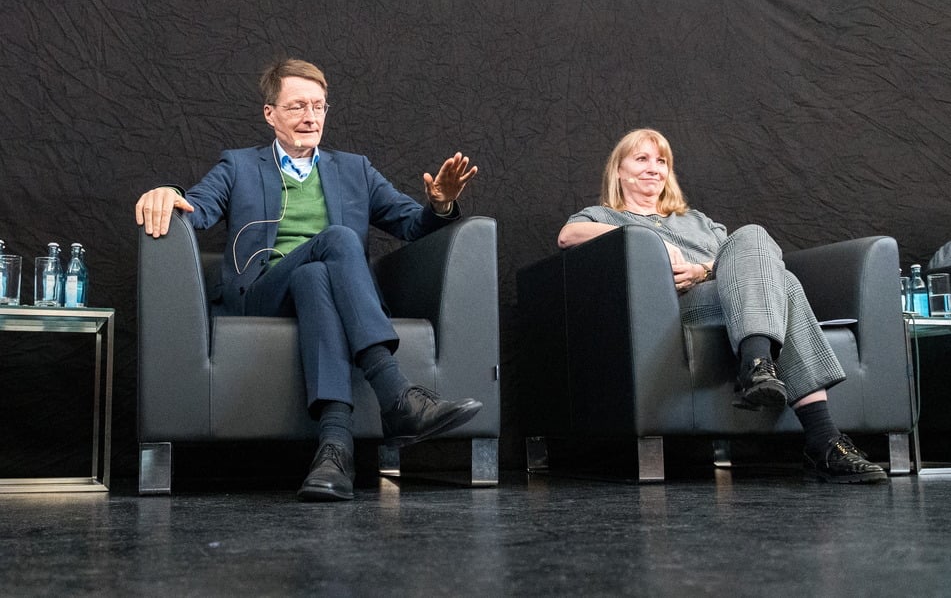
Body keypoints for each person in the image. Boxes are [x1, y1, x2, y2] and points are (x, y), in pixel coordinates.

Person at [135, 58, 483, 502]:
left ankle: (334, 450)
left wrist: (439, 204)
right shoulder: (239, 166)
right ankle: (396, 395)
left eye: (318, 106)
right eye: (298, 106)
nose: (310, 117)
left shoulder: (355, 170)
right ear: (270, 113)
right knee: (336, 240)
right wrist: (171, 194)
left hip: (321, 291)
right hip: (262, 294)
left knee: (316, 276)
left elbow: (412, 227)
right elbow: (198, 208)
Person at [557, 128, 886, 484]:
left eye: (661, 161)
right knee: (783, 284)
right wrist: (642, 238)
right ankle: (820, 435)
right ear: (618, 171)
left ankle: (760, 369)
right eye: (642, 159)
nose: (653, 168)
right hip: (679, 309)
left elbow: (746, 258)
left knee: (755, 240)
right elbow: (568, 235)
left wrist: (703, 269)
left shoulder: (697, 221)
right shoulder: (605, 216)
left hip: (732, 300)